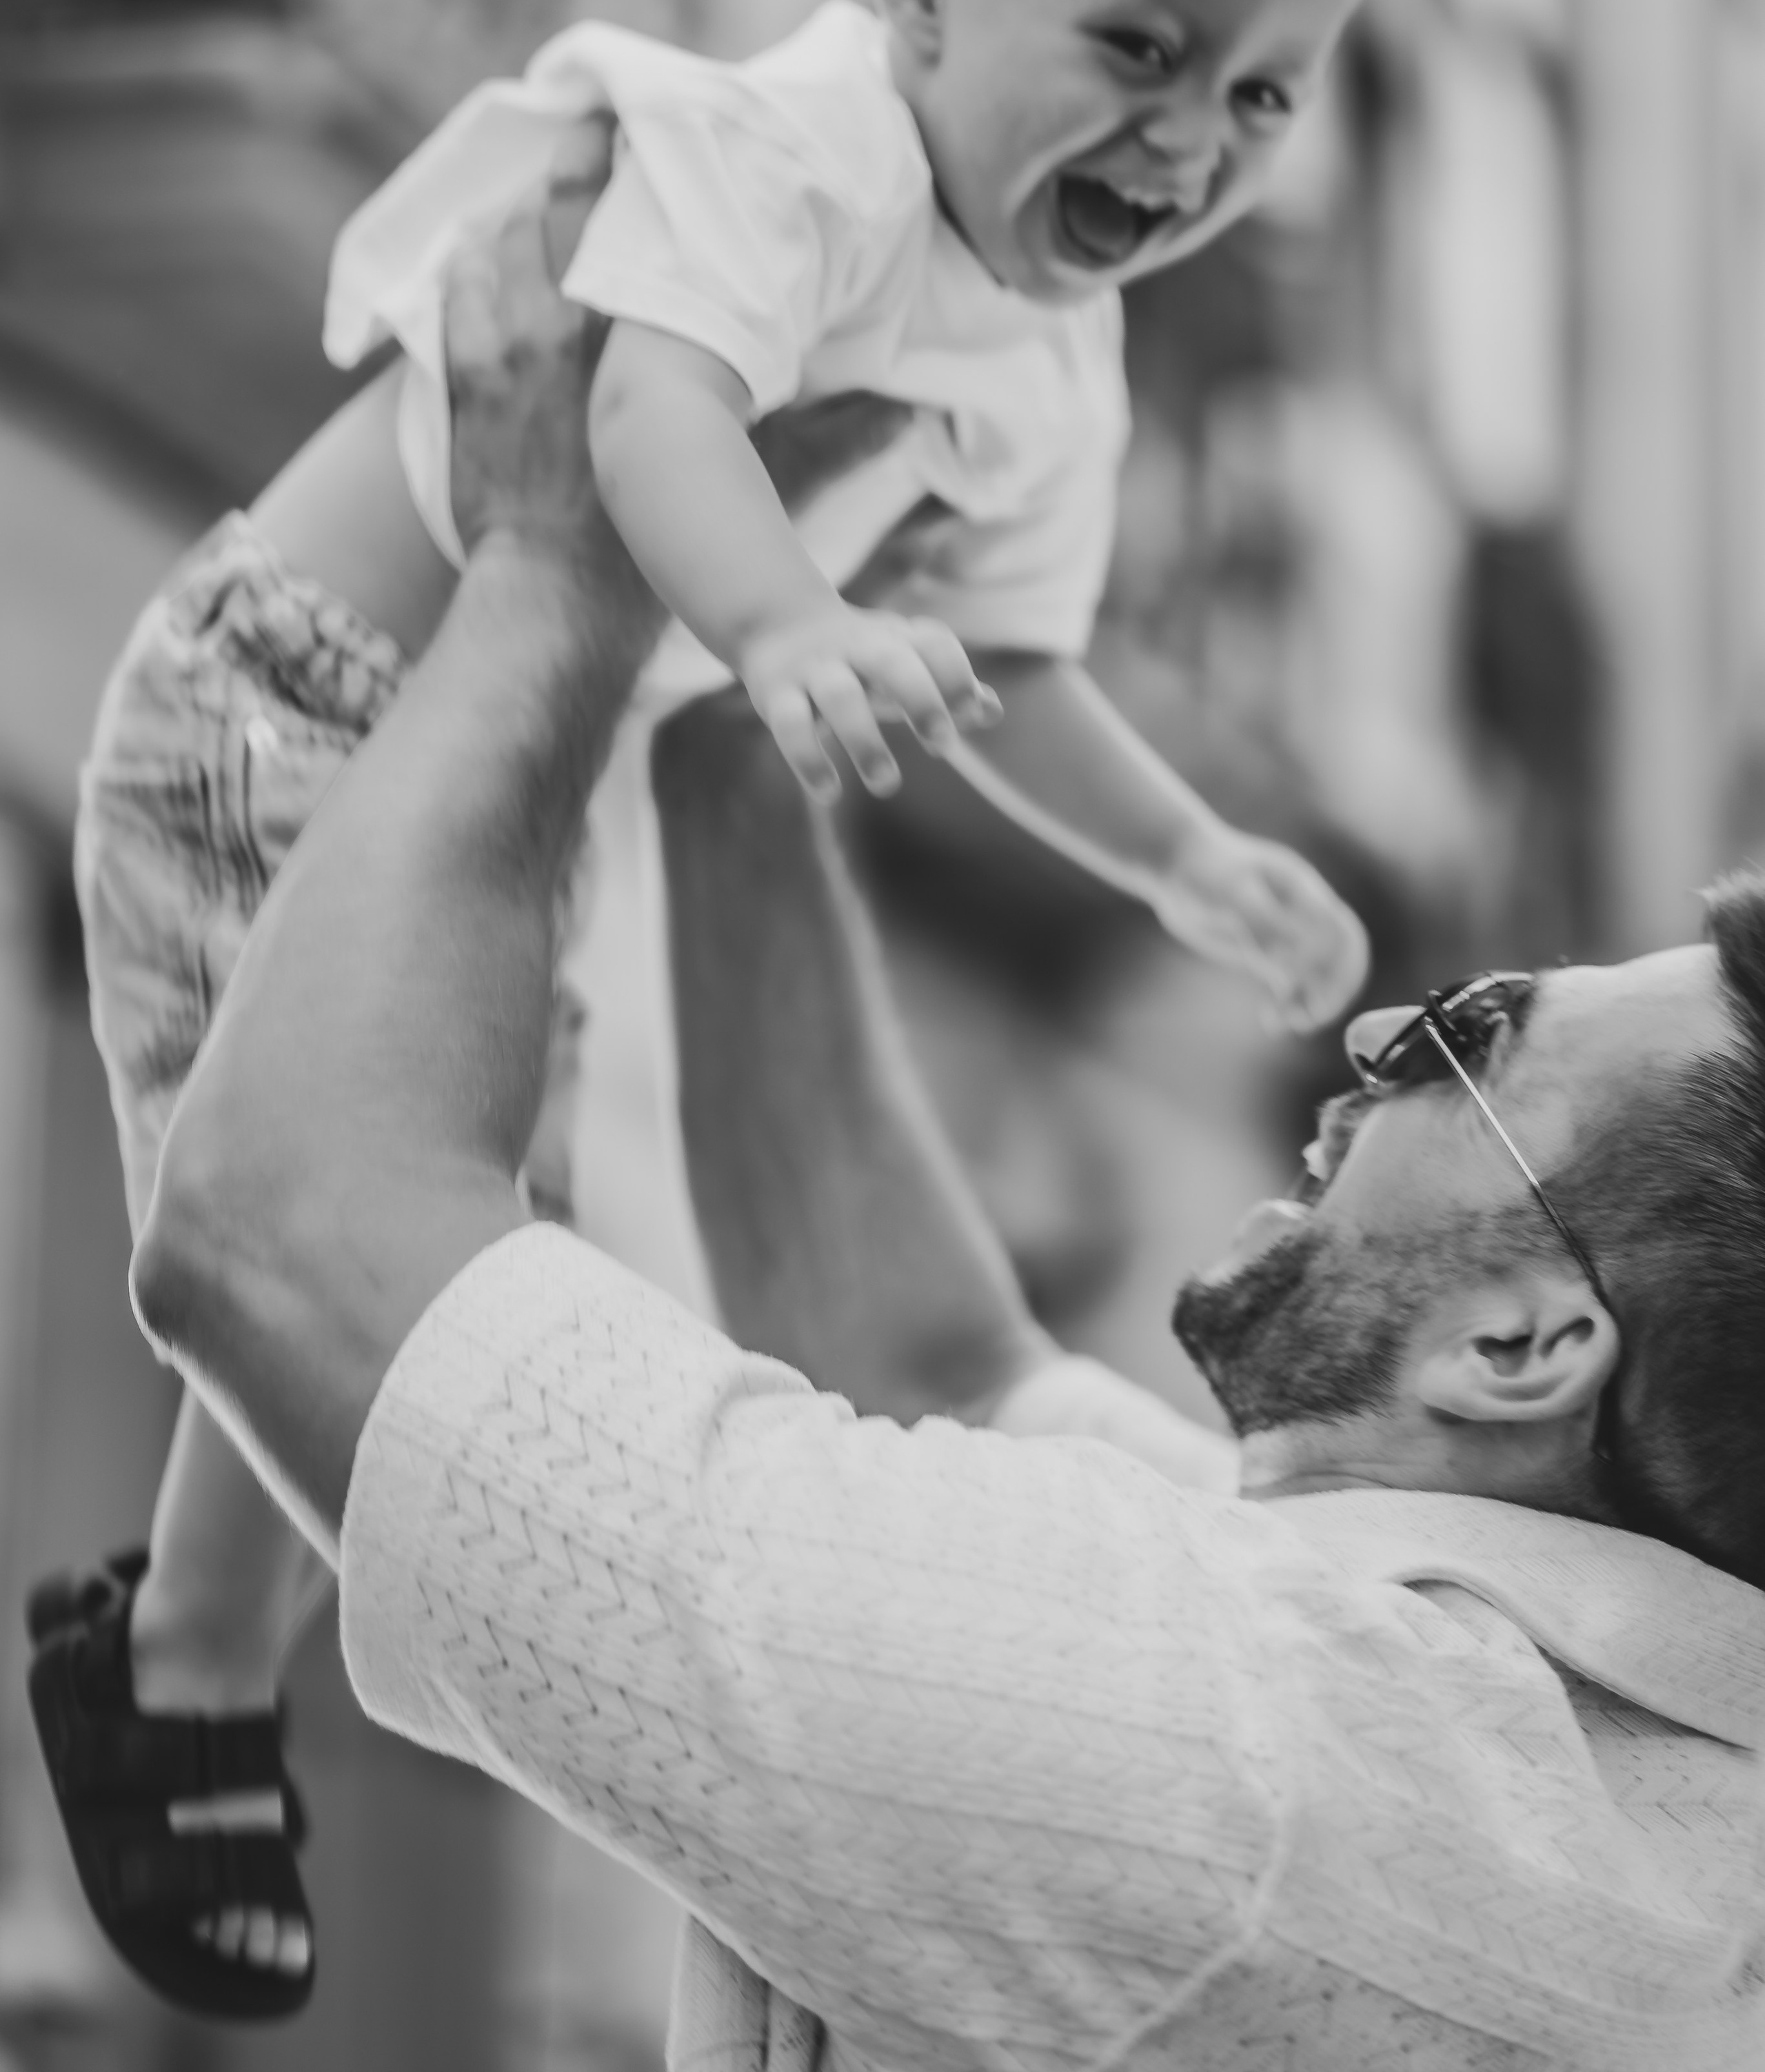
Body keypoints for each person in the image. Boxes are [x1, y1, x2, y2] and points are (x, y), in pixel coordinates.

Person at [38, 0, 1465, 2011]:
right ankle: (176, 1664)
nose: (1192, 144)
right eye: (1140, 48)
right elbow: (640, 424)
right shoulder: (790, 147)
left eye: (1268, 98)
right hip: (280, 703)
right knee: (315, 1221)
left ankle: (183, 1648)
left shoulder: (1054, 349)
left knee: (470, 1256)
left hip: (506, 776)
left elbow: (1016, 663)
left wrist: (1181, 857)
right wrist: (789, 627)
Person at [97, 185, 1765, 2069]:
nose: (1382, 1028)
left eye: (1471, 1038)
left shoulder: (1265, 1778)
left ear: (1526, 1346)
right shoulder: (1534, 1757)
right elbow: (933, 1369)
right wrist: (736, 674)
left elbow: (282, 1227)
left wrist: (559, 555)